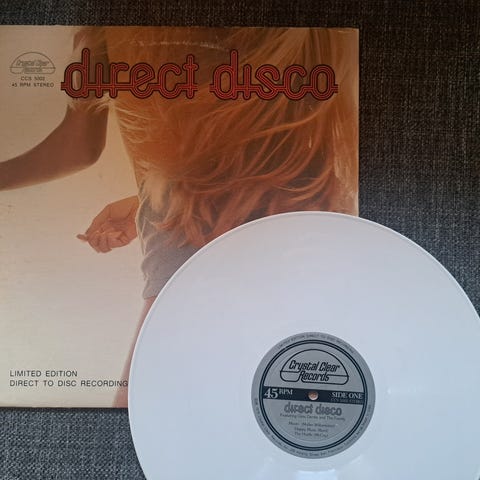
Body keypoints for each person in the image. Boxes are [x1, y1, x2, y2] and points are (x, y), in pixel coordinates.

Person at [0, 26, 358, 406]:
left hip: (198, 230)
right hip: (283, 221)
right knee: (269, 406)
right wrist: (146, 203)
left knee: (155, 417)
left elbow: (81, 146)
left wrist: (158, 202)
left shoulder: (106, 25)